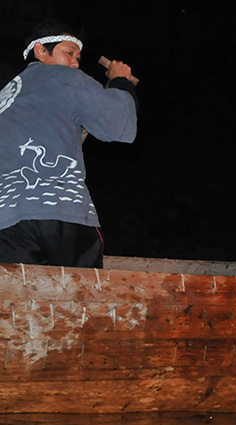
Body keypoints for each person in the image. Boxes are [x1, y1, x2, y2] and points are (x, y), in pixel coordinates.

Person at [0, 20, 137, 268]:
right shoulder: (66, 78)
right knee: (79, 300)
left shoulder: (5, 96)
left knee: (18, 303)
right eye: (69, 53)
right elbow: (118, 125)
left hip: (5, 222)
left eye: (78, 57)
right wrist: (120, 82)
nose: (75, 63)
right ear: (41, 51)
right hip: (60, 211)